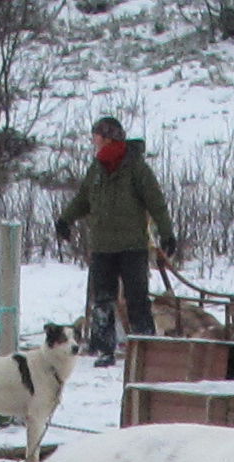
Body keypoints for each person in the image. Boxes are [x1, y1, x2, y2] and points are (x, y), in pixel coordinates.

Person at [56, 116, 176, 365]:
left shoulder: (136, 167)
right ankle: (103, 349)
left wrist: (167, 233)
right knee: (102, 300)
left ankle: (146, 348)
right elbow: (83, 199)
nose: (93, 142)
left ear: (108, 138)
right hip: (102, 247)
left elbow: (156, 202)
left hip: (132, 247)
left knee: (137, 299)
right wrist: (66, 220)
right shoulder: (97, 167)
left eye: (96, 137)